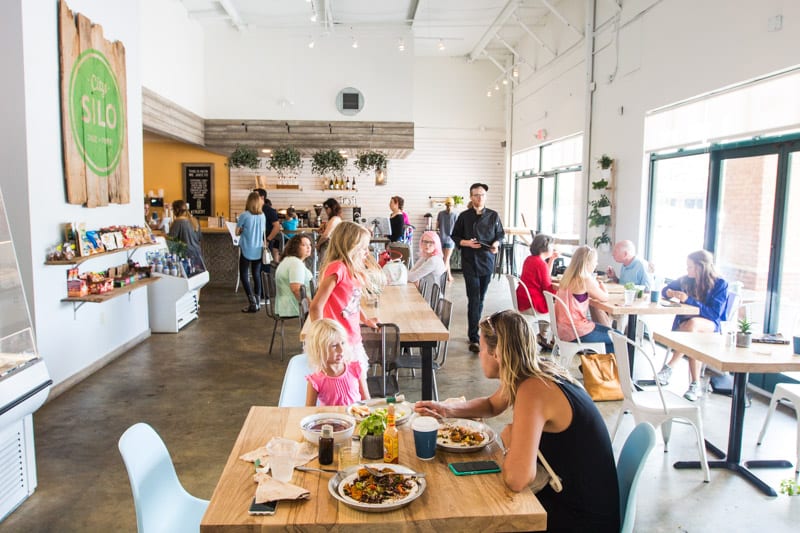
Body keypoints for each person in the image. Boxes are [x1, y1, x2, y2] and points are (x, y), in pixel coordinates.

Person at [414, 310, 619, 532]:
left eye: (481, 349)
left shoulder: (534, 389)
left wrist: (510, 441)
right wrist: (446, 409)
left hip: (579, 517)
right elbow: (493, 405)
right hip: (585, 502)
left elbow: (517, 479)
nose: (479, 354)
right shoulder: (534, 370)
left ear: (497, 354)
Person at [309, 221, 385, 371]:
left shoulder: (352, 270)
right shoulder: (337, 269)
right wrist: (322, 338)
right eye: (363, 248)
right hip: (337, 341)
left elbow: (352, 304)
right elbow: (316, 306)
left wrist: (366, 319)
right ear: (351, 247)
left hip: (352, 336)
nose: (367, 253)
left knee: (356, 382)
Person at [656, 250, 728, 401]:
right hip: (687, 325)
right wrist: (670, 293)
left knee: (693, 325)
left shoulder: (720, 284)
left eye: (690, 267)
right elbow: (665, 289)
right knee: (693, 334)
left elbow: (714, 314)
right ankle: (695, 384)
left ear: (700, 268)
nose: (687, 270)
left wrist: (688, 300)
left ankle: (670, 366)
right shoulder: (686, 280)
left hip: (710, 324)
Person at [450, 183, 505, 353]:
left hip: (487, 260)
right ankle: (474, 336)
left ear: (485, 196)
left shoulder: (493, 216)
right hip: (470, 261)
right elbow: (455, 236)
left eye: (482, 195)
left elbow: (500, 234)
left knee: (481, 298)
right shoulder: (464, 216)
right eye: (476, 195)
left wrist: (496, 244)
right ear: (471, 197)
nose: (479, 198)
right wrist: (466, 243)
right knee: (474, 298)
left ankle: (476, 330)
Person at [554, 245, 615, 353]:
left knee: (612, 333)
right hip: (577, 331)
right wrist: (603, 288)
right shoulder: (585, 279)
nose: (596, 264)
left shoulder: (567, 277)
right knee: (619, 339)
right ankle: (598, 368)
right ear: (587, 263)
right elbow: (604, 297)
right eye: (595, 261)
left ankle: (593, 366)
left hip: (563, 329)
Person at [305, 319, 370, 407]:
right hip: (330, 420)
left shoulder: (356, 369)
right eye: (334, 345)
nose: (341, 350)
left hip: (355, 419)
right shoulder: (315, 381)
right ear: (319, 350)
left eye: (342, 343)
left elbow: (367, 402)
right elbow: (308, 411)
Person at [518, 233, 558, 349]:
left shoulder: (530, 259)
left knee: (550, 303)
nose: (553, 248)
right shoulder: (540, 264)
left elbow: (545, 276)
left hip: (523, 299)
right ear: (544, 247)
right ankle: (550, 339)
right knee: (556, 307)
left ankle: (543, 336)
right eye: (552, 245)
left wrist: (551, 260)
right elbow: (548, 288)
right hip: (532, 303)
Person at [236, 192, 266, 313]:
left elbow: (237, 232)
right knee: (256, 275)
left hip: (246, 248)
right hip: (258, 249)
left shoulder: (244, 215)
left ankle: (252, 302)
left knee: (244, 275)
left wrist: (243, 230)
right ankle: (258, 302)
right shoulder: (262, 216)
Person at [275, 234, 313, 318]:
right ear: (295, 247)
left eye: (309, 245)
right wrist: (311, 306)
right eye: (304, 245)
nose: (308, 247)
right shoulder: (295, 263)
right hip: (294, 306)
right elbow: (296, 289)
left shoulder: (288, 260)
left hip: (285, 306)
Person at [168, 199, 203, 266]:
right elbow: (199, 238)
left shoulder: (177, 222)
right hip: (197, 254)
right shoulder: (195, 220)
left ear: (177, 210)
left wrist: (164, 236)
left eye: (173, 210)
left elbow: (171, 241)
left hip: (186, 257)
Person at [254, 189, 282, 264]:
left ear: (262, 197)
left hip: (265, 241)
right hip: (255, 241)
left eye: (255, 196)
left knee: (264, 264)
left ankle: (265, 276)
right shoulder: (253, 210)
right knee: (256, 265)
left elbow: (277, 227)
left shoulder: (269, 210)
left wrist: (268, 240)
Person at [436, 198, 458, 282]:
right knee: (446, 259)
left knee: (445, 259)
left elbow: (437, 227)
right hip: (451, 240)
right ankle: (442, 277)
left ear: (445, 205)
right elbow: (457, 229)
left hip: (441, 239)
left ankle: (449, 276)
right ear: (453, 205)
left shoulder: (440, 214)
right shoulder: (455, 215)